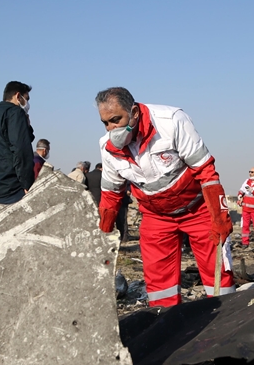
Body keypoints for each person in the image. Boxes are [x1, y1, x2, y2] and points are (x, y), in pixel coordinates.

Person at [95, 87, 234, 307]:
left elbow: (206, 171)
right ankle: (168, 326)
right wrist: (102, 240)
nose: (111, 128)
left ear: (134, 113)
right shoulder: (108, 148)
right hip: (156, 216)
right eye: (105, 123)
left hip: (197, 209)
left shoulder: (171, 121)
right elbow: (111, 197)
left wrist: (219, 216)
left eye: (116, 120)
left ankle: (227, 318)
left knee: (217, 273)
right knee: (160, 284)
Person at [0, 81, 35, 204]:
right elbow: (21, 150)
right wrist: (27, 184)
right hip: (11, 186)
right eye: (26, 99)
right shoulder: (15, 113)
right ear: (17, 96)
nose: (27, 103)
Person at [236, 167, 254, 250]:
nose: (250, 173)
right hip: (245, 209)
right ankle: (245, 243)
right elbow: (241, 191)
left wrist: (253, 191)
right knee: (245, 226)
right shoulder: (246, 182)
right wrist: (240, 196)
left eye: (252, 172)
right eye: (250, 172)